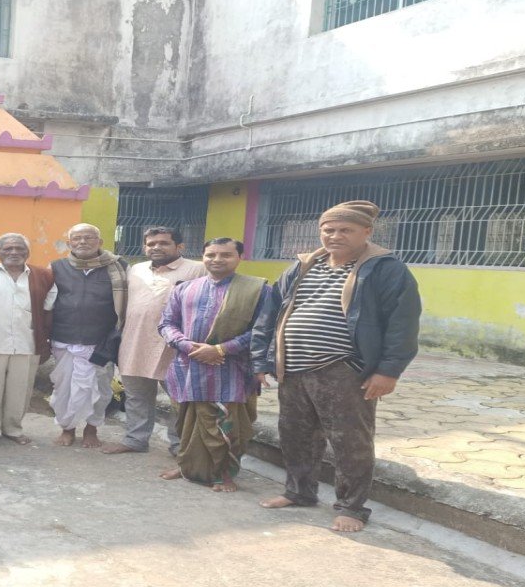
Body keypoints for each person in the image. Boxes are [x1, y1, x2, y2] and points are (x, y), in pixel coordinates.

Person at [253, 200, 421, 532]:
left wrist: (388, 371)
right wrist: (262, 359)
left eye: (346, 230)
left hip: (344, 369)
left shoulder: (386, 269)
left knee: (350, 442)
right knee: (295, 435)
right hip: (295, 368)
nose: (335, 235)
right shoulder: (303, 265)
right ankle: (299, 492)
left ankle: (351, 507)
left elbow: (403, 324)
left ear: (367, 232)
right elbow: (269, 313)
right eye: (329, 229)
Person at [158, 239, 269, 492]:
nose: (217, 259)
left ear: (240, 257)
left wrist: (220, 349)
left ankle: (224, 473)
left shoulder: (258, 290)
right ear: (203, 256)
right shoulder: (184, 288)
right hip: (188, 367)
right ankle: (189, 466)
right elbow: (166, 324)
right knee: (187, 422)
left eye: (226, 255)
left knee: (226, 425)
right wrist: (187, 346)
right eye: (211, 254)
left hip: (231, 370)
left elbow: (263, 330)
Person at [101, 226, 206, 456]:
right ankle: (135, 440)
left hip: (175, 347)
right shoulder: (136, 270)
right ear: (144, 247)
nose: (156, 247)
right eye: (151, 243)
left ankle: (179, 446)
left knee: (179, 399)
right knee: (137, 396)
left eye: (163, 243)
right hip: (135, 343)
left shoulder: (198, 270)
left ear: (179, 247)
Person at [0, 233, 56, 446]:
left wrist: (46, 340)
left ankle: (13, 430)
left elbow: (49, 309)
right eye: (8, 249)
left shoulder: (42, 276)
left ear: (27, 252)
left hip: (27, 343)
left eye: (19, 249)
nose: (14, 253)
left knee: (20, 390)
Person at [48, 223, 127, 447]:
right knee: (64, 388)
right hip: (64, 337)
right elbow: (48, 303)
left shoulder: (118, 266)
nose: (83, 242)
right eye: (77, 238)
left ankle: (92, 430)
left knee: (100, 390)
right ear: (69, 243)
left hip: (102, 340)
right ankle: (68, 429)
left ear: (100, 242)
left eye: (89, 238)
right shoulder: (57, 267)